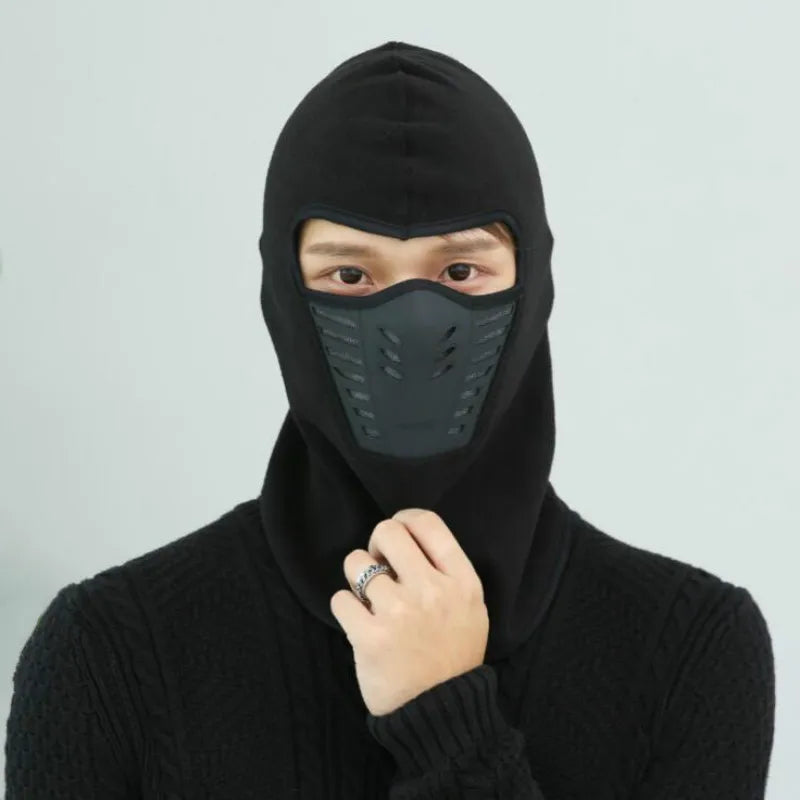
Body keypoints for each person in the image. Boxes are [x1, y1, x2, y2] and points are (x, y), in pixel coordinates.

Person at [4, 40, 775, 799]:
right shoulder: (106, 657)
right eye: (349, 274)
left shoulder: (692, 654)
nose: (412, 331)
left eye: (461, 271)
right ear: (282, 294)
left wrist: (447, 723)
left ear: (535, 282)